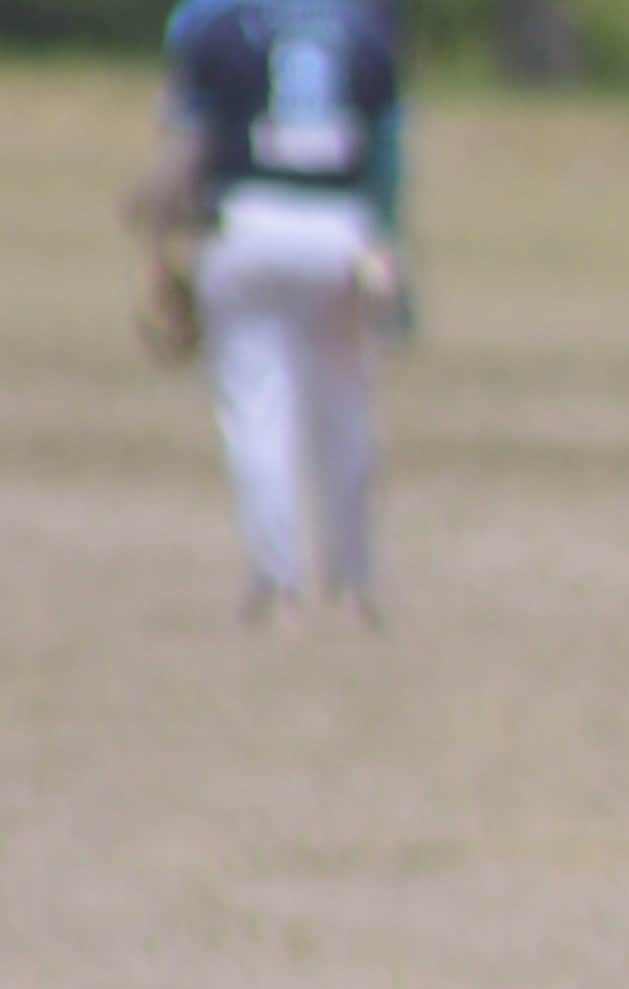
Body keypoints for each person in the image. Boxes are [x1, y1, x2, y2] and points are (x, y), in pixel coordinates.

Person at [131, 0, 403, 629]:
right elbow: (386, 154)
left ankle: (279, 583)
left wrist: (156, 233)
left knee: (257, 409)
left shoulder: (214, 24)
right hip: (342, 229)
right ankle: (353, 585)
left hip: (246, 222)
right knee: (347, 413)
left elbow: (190, 146)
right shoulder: (365, 28)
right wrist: (387, 245)